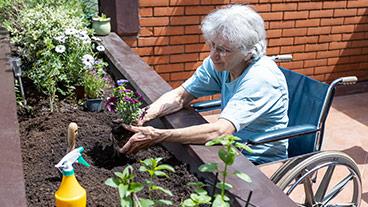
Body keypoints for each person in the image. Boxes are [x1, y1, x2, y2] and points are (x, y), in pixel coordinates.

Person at [121, 4, 289, 164]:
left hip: (257, 160)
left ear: (249, 53)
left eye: (224, 50)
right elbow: (180, 96)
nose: (214, 55)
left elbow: (220, 131)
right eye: (213, 45)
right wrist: (143, 115)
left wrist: (159, 135)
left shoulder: (260, 79)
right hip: (229, 150)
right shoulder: (222, 64)